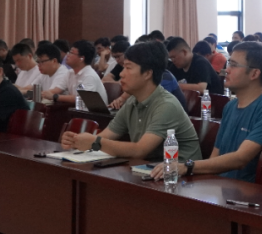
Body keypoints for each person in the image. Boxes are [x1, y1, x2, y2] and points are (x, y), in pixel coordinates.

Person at [149, 42, 262, 182]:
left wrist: (186, 166)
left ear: (254, 73)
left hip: (252, 191)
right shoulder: (230, 106)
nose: (226, 70)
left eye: (234, 65)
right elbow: (215, 155)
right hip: (222, 186)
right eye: (229, 64)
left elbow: (240, 159)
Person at [62, 42, 200, 161]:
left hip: (182, 175)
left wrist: (94, 142)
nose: (121, 74)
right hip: (151, 169)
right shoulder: (132, 101)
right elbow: (105, 137)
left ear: (147, 73)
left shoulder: (166, 105)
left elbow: (140, 150)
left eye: (128, 67)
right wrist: (77, 141)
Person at [57, 40, 108, 106]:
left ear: (82, 58)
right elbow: (58, 89)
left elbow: (81, 99)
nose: (67, 55)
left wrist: (56, 97)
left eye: (71, 53)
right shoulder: (70, 73)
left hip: (93, 111)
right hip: (78, 109)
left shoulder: (89, 76)